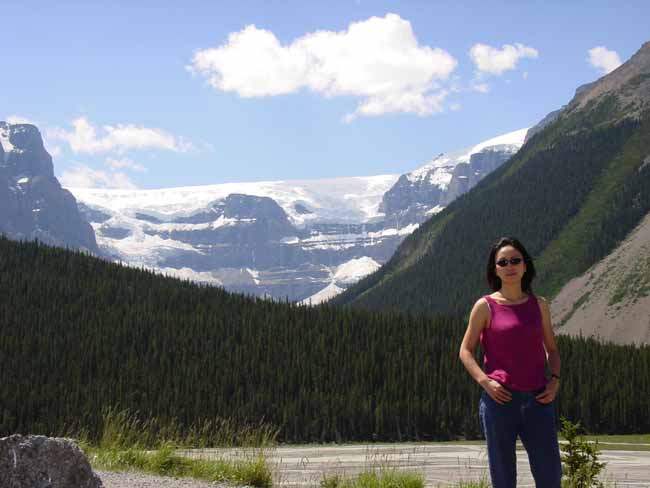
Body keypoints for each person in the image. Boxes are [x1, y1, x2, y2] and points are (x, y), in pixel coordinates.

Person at [459, 236, 562, 487]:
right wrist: (485, 382)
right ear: (495, 269)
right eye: (502, 262)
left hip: (539, 400)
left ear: (526, 265)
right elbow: (465, 350)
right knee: (504, 478)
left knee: (550, 476)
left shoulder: (540, 305)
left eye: (515, 260)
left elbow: (552, 350)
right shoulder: (485, 306)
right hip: (498, 401)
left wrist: (555, 381)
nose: (510, 266)